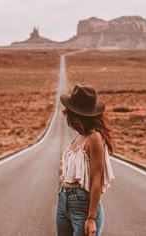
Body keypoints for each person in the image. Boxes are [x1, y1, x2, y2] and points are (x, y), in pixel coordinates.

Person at [56, 84, 115, 236]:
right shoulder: (81, 136)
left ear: (75, 114)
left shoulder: (95, 138)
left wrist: (91, 218)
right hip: (64, 201)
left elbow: (97, 179)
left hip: (82, 204)